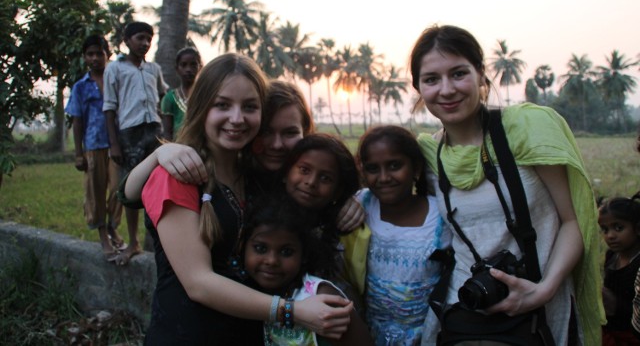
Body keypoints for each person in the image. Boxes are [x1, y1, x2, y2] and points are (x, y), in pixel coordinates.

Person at [126, 53, 354, 344]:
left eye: (249, 107)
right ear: (202, 107)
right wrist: (291, 312)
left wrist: (351, 201)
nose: (237, 118)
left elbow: (316, 192)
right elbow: (199, 283)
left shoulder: (255, 176)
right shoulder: (175, 176)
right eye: (222, 105)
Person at [408, 25, 604, 345]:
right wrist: (352, 205)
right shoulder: (429, 156)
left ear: (481, 76)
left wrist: (544, 290)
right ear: (418, 87)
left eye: (459, 73)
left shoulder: (526, 130)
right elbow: (386, 197)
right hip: (467, 311)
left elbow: (575, 221)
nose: (446, 89)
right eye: (431, 79)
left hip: (542, 307)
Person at [354, 125, 452, 346]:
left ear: (416, 168)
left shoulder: (439, 216)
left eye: (395, 166)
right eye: (372, 168)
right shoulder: (362, 205)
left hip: (428, 335)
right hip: (369, 334)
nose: (384, 177)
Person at [241, 196, 374, 346]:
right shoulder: (244, 292)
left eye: (286, 252)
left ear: (303, 255)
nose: (271, 261)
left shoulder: (322, 297)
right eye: (260, 248)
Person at [103, 21, 166, 265]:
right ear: (127, 40)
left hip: (154, 131)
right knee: (130, 188)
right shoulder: (115, 69)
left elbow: (163, 94)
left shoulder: (153, 69)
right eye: (140, 38)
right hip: (129, 133)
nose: (145, 43)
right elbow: (109, 108)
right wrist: (114, 144)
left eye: (149, 39)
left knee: (159, 185)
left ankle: (161, 241)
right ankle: (133, 242)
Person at [65, 35, 124, 261]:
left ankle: (112, 226)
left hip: (116, 145)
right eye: (90, 54)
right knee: (95, 191)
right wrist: (79, 153)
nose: (95, 58)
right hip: (93, 145)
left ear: (107, 55)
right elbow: (77, 121)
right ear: (84, 57)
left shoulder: (115, 81)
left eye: (99, 53)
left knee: (120, 189)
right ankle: (103, 235)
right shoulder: (80, 87)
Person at [598, 192, 640, 345]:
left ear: (638, 229)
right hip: (611, 325)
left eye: (618, 227)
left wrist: (615, 304)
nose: (610, 235)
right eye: (605, 229)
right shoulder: (612, 256)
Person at [160, 47, 203, 141]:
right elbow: (167, 132)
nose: (188, 69)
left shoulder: (205, 95)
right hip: (178, 148)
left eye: (193, 65)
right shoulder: (169, 98)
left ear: (200, 67)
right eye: (183, 65)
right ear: (177, 68)